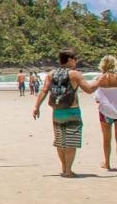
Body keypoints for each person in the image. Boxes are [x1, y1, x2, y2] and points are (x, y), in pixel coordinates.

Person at [33, 49, 100, 178]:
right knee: (71, 142)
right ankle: (68, 171)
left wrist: (36, 106)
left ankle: (64, 168)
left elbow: (44, 90)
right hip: (72, 111)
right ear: (69, 60)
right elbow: (89, 89)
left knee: (60, 141)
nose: (76, 62)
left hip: (57, 112)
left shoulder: (51, 74)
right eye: (75, 59)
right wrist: (100, 80)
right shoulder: (75, 74)